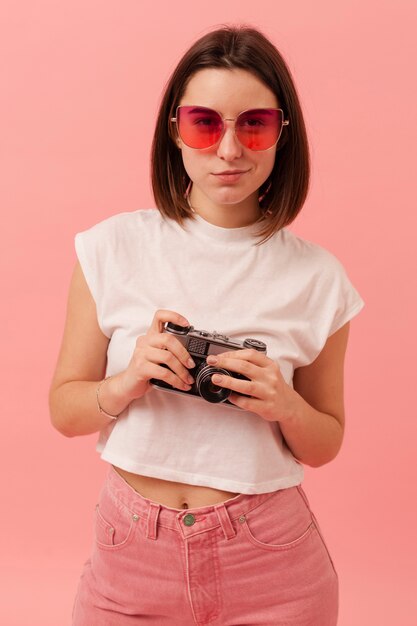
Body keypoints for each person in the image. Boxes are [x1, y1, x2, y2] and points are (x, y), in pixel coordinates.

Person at [49, 24, 364, 626]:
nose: (229, 150)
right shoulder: (110, 248)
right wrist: (128, 381)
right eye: (204, 122)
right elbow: (64, 410)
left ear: (281, 134)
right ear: (175, 132)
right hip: (129, 558)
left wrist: (283, 404)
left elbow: (325, 443)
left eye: (254, 124)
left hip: (273, 564)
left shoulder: (320, 278)